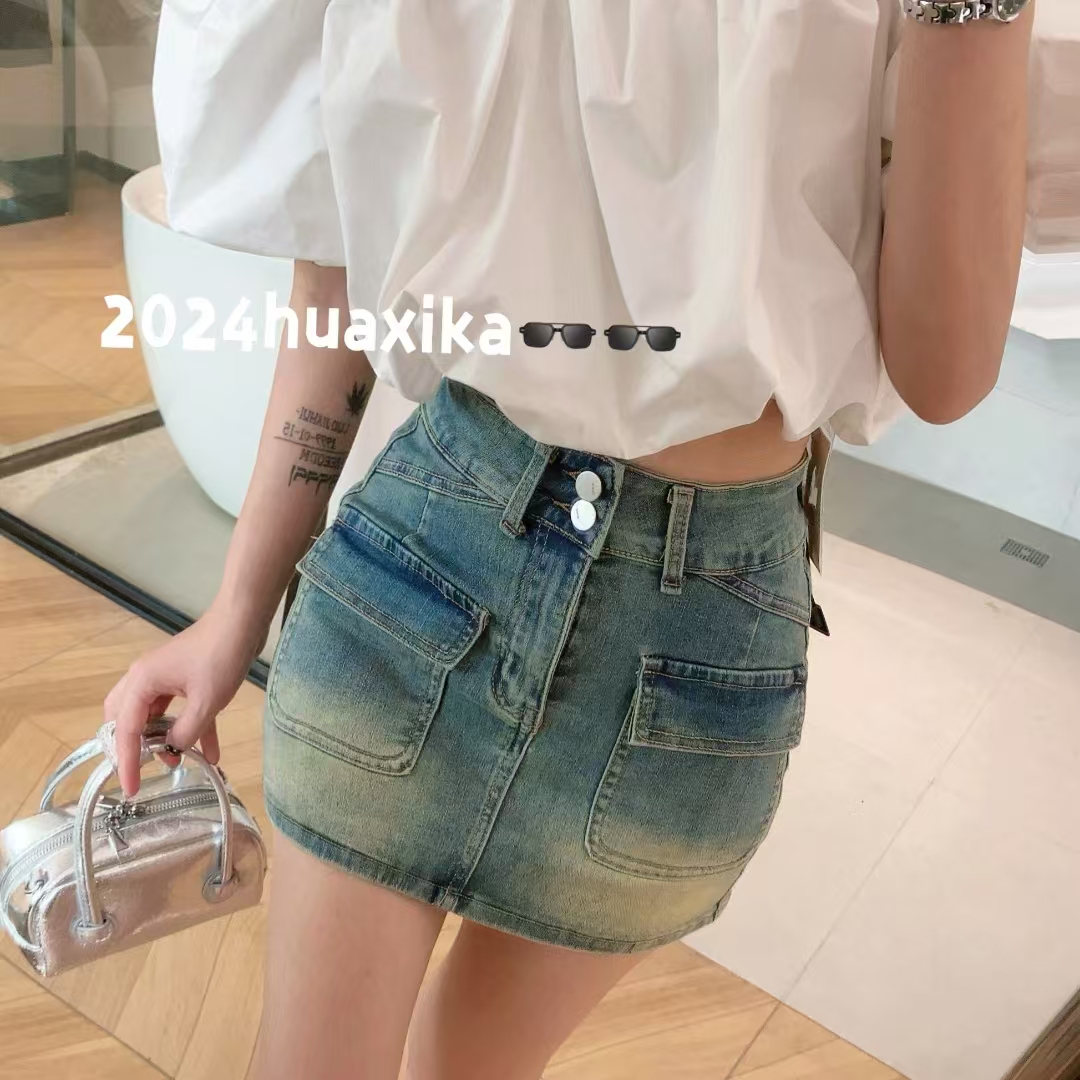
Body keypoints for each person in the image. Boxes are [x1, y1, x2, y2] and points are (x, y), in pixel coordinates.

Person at [105, 2, 1037, 1077]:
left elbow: (944, 372)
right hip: (424, 560)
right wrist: (234, 612)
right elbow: (339, 270)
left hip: (695, 659)